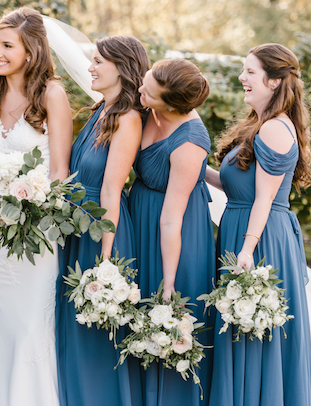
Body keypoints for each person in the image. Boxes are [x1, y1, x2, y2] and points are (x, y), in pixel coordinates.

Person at [0, 7, 73, 406]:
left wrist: (33, 213)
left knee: (31, 323)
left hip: (36, 230)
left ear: (30, 51)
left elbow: (60, 171)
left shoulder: (52, 95)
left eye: (7, 45)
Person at [205, 43, 311, 406]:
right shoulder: (260, 124)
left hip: (262, 239)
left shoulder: (275, 130)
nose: (242, 78)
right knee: (241, 331)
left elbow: (264, 199)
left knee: (255, 333)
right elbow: (239, 185)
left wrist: (247, 250)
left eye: (250, 72)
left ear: (273, 81)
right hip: (244, 226)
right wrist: (195, 171)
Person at [56, 35, 146, 406]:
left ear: (122, 68)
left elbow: (112, 188)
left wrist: (106, 260)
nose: (89, 68)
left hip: (102, 229)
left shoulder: (128, 119)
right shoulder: (99, 111)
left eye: (98, 62)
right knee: (73, 328)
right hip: (77, 224)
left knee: (96, 333)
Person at [128, 59, 215, 405]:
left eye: (147, 91)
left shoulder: (190, 142)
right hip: (141, 218)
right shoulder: (149, 107)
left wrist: (169, 281)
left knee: (169, 319)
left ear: (172, 105)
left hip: (177, 233)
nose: (140, 91)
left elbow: (171, 219)